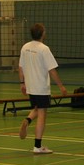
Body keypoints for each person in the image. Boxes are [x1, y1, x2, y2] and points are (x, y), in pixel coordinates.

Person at [18, 23, 67, 154]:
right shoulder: (44, 49)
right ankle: (37, 146)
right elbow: (52, 70)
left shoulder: (25, 47)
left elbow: (20, 67)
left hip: (31, 86)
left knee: (37, 108)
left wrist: (22, 83)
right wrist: (61, 86)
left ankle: (27, 120)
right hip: (41, 87)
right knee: (42, 114)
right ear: (43, 34)